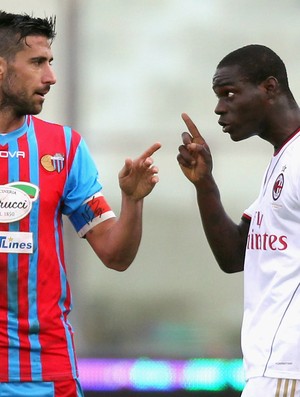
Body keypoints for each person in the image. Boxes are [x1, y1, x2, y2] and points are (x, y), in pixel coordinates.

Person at [0, 10, 161, 397]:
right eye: (37, 62)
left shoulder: (64, 148)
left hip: (44, 371)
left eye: (51, 63)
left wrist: (132, 202)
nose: (51, 77)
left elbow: (115, 255)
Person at [177, 44, 300, 397]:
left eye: (228, 93)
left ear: (270, 88)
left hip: (288, 367)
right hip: (270, 368)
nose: (218, 108)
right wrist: (204, 184)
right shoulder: (282, 159)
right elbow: (234, 257)